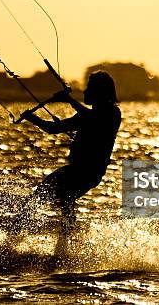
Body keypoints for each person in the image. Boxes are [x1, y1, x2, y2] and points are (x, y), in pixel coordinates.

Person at [16, 71, 121, 235]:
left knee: (59, 198)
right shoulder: (84, 115)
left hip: (88, 172)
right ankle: (65, 243)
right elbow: (53, 128)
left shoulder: (112, 113)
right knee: (56, 199)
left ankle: (66, 242)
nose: (85, 91)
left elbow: (93, 118)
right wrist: (32, 118)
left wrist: (70, 100)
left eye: (89, 88)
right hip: (78, 171)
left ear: (99, 91)